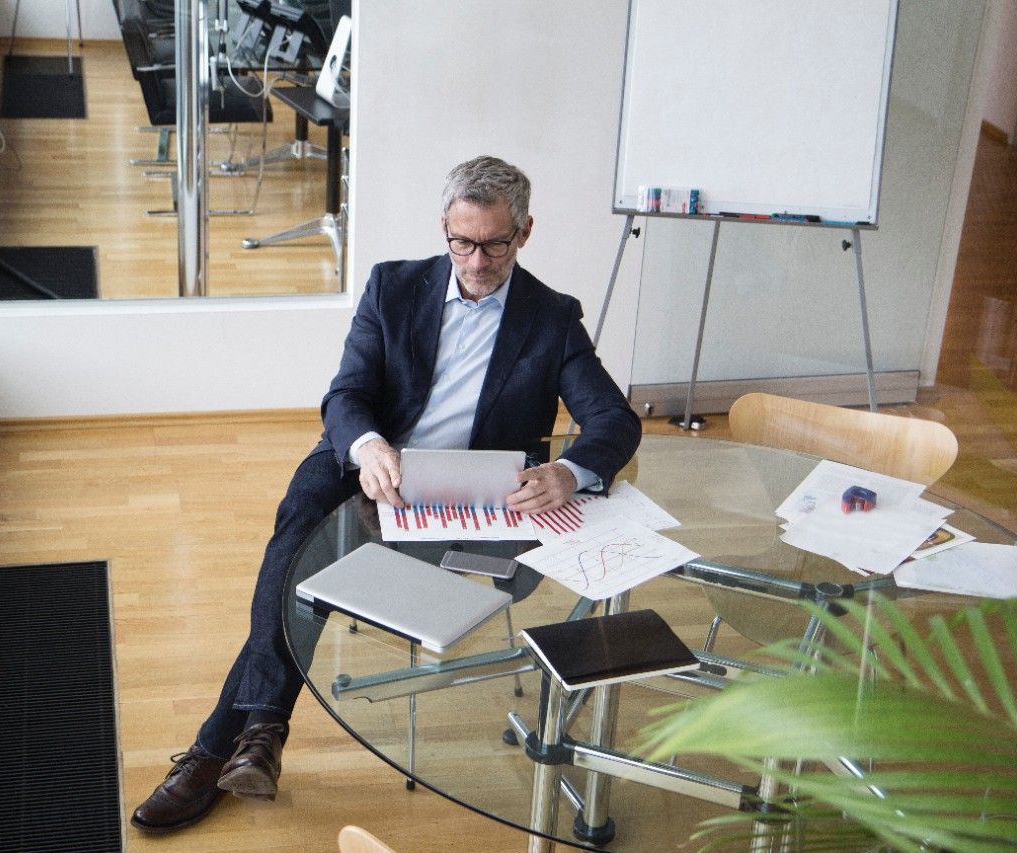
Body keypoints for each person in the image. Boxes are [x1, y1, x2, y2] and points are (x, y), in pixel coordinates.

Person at [130, 155, 642, 833]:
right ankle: (256, 733)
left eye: (495, 244)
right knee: (302, 524)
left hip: (468, 500)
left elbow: (614, 421)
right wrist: (368, 445)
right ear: (444, 228)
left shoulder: (551, 318)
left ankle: (228, 743)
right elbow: (346, 394)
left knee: (305, 571)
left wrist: (568, 473)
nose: (477, 261)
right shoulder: (392, 287)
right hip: (370, 471)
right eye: (462, 242)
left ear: (525, 232)